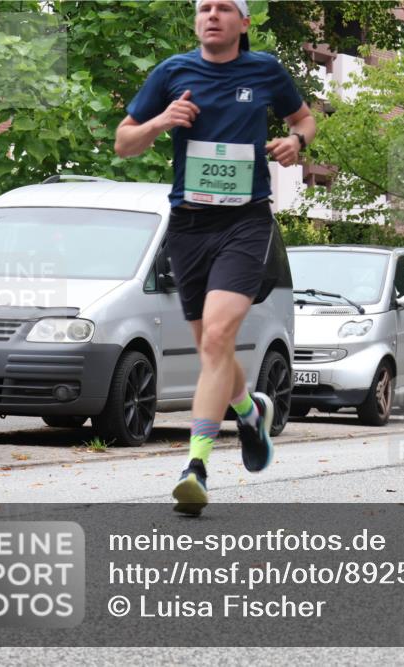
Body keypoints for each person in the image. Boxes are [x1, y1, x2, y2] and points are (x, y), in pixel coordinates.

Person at [114, 0, 315, 515]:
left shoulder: (265, 69)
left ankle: (196, 467)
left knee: (220, 337)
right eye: (205, 8)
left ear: (243, 23)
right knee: (212, 350)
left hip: (245, 222)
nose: (212, 15)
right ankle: (249, 413)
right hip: (188, 227)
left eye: (224, 8)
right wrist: (162, 120)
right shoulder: (172, 72)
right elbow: (123, 142)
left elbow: (305, 119)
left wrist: (296, 141)